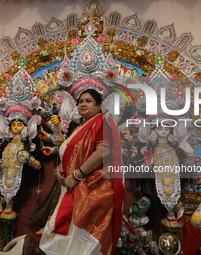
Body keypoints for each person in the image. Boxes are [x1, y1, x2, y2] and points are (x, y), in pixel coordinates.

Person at [39, 89, 125, 255]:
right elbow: (72, 157)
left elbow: (102, 153)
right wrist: (60, 170)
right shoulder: (79, 128)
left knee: (79, 245)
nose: (83, 104)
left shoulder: (102, 122)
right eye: (80, 101)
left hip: (91, 189)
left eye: (88, 101)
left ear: (98, 105)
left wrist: (76, 175)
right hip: (72, 187)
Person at [0, 106, 42, 215]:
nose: (15, 127)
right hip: (4, 172)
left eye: (19, 125)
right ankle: (2, 199)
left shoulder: (28, 145)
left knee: (15, 185)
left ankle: (10, 202)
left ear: (25, 127)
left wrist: (28, 159)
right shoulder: (5, 144)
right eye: (13, 124)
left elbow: (38, 165)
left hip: (18, 174)